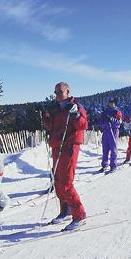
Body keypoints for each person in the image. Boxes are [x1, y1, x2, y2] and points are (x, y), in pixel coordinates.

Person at [42, 81, 88, 231]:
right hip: (57, 146)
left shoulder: (76, 106)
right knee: (58, 181)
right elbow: (51, 127)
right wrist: (44, 115)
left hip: (69, 146)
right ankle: (65, 210)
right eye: (55, 92)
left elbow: (82, 125)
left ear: (68, 92)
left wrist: (75, 114)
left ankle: (79, 215)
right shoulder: (57, 109)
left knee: (67, 183)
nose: (57, 95)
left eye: (60, 92)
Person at [96, 97, 123, 173]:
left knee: (113, 149)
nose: (111, 103)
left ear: (115, 103)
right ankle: (104, 165)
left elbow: (119, 122)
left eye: (112, 102)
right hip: (106, 131)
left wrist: (112, 119)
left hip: (113, 131)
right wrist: (97, 121)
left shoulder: (117, 112)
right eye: (110, 102)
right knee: (105, 149)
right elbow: (101, 121)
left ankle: (113, 166)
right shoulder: (105, 111)